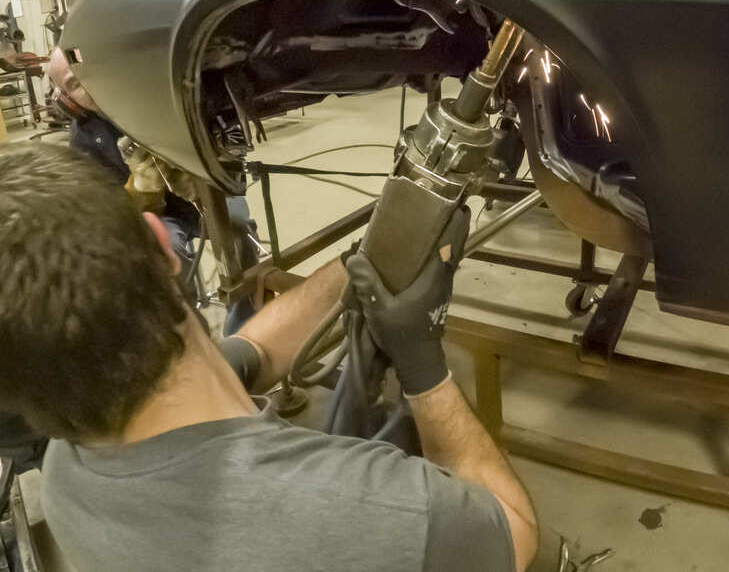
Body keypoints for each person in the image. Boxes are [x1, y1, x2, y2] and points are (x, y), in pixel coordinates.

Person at [0, 143, 538, 572]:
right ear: (160, 242)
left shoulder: (65, 479)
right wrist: (424, 367)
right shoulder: (386, 512)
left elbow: (250, 353)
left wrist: (369, 258)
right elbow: (513, 534)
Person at [46, 47, 259, 332]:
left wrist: (201, 168)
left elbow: (222, 140)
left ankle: (244, 324)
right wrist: (142, 190)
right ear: (67, 100)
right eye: (73, 84)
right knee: (165, 249)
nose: (85, 85)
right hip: (159, 215)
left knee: (239, 229)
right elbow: (108, 210)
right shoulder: (83, 139)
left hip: (203, 189)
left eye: (87, 73)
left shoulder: (154, 95)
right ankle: (191, 330)